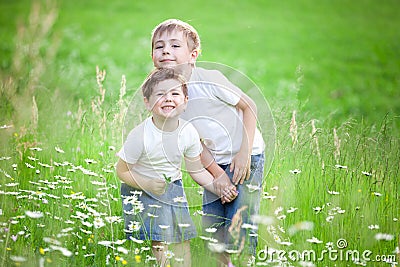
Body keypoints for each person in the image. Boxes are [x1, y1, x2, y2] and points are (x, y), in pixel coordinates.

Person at [150, 19, 266, 266]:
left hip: (246, 154)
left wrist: (244, 153)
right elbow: (194, 142)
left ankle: (245, 260)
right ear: (153, 56)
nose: (165, 51)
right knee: (214, 226)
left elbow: (250, 107)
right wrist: (217, 176)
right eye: (159, 47)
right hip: (214, 160)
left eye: (174, 45)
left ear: (192, 56)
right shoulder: (168, 95)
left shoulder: (209, 79)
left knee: (239, 222)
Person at [116, 68, 237, 267]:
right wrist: (146, 184)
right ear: (147, 103)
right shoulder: (140, 135)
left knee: (183, 233)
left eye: (174, 93)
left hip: (174, 186)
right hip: (142, 189)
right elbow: (122, 171)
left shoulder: (188, 132)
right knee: (161, 236)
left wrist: (218, 188)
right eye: (160, 94)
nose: (168, 98)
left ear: (185, 101)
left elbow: (196, 170)